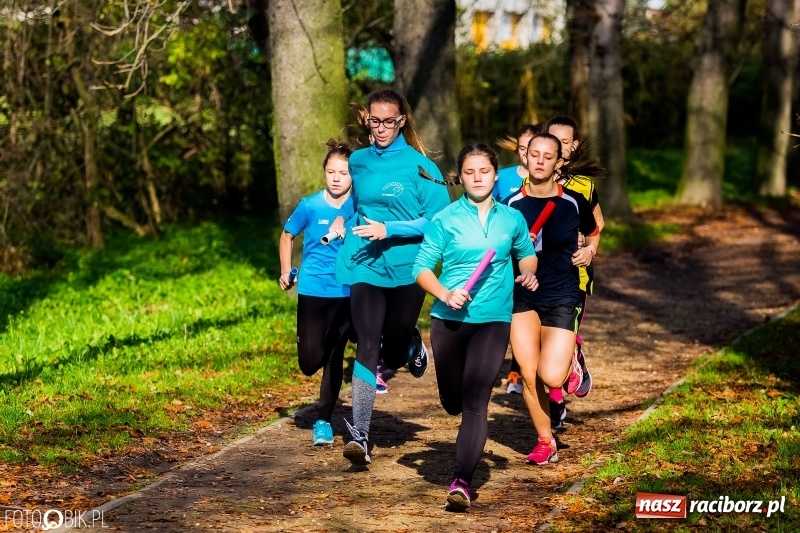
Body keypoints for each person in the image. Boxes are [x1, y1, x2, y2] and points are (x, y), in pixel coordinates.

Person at [413, 143, 538, 511]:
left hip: (493, 320)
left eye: (485, 171)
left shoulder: (511, 219)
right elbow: (420, 268)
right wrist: (444, 292)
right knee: (453, 400)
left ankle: (461, 481)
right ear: (461, 176)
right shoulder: (446, 219)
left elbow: (526, 254)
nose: (478, 177)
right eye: (470, 171)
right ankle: (452, 403)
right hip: (448, 321)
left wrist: (528, 273)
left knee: (475, 402)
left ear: (495, 175)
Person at [329, 89, 451, 466]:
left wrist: (391, 228)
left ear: (402, 121)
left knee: (393, 352)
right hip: (365, 261)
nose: (381, 128)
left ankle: (410, 341)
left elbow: (437, 219)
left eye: (389, 121)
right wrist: (342, 219)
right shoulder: (359, 161)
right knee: (367, 344)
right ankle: (361, 434)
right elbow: (357, 205)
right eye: (375, 121)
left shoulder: (421, 167)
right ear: (368, 121)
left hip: (408, 266)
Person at [505, 132, 599, 465]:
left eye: (548, 156)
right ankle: (546, 441)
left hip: (562, 293)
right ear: (525, 158)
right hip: (523, 295)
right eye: (535, 154)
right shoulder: (511, 205)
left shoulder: (573, 202)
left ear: (559, 162)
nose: (540, 160)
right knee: (528, 374)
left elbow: (593, 231)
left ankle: (572, 354)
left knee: (552, 377)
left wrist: (589, 251)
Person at [279, 139, 355, 446]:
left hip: (346, 290)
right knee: (309, 362)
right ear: (324, 173)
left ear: (353, 176)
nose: (336, 178)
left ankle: (323, 421)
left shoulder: (359, 206)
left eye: (344, 173)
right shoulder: (310, 205)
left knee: (334, 358)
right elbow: (287, 235)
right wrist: (286, 270)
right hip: (312, 289)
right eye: (331, 171)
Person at [544, 116, 606, 427]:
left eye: (564, 141)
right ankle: (566, 373)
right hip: (539, 275)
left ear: (573, 146)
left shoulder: (584, 185)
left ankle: (555, 401)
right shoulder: (534, 181)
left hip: (575, 275)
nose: (558, 147)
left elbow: (598, 225)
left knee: (561, 338)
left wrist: (589, 250)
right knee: (546, 341)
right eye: (552, 140)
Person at [494, 124, 542, 395]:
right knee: (512, 312)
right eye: (523, 148)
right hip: (508, 259)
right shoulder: (502, 177)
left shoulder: (550, 179)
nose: (527, 154)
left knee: (533, 315)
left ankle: (522, 369)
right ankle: (515, 369)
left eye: (533, 148)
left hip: (542, 259)